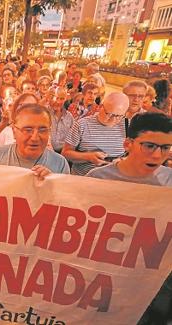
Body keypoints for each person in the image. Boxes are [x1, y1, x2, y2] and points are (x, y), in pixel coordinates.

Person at [85, 112, 171, 325]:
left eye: (166, 148)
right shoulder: (97, 179)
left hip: (153, 286)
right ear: (128, 144)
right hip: (104, 281)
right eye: (149, 146)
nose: (157, 155)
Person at [0, 103, 70, 178]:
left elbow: (64, 197)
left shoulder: (60, 164)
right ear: (14, 132)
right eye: (28, 130)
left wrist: (53, 182)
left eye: (42, 130)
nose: (35, 138)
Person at [62, 92, 130, 176]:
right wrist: (88, 157)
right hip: (83, 178)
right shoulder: (82, 124)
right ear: (101, 107)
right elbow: (65, 153)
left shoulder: (127, 125)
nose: (113, 119)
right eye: (110, 114)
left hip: (113, 179)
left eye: (119, 116)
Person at [49, 88, 73, 153]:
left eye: (62, 99)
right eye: (56, 98)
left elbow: (72, 137)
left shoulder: (69, 116)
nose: (58, 101)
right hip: (47, 151)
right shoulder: (45, 113)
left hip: (63, 152)